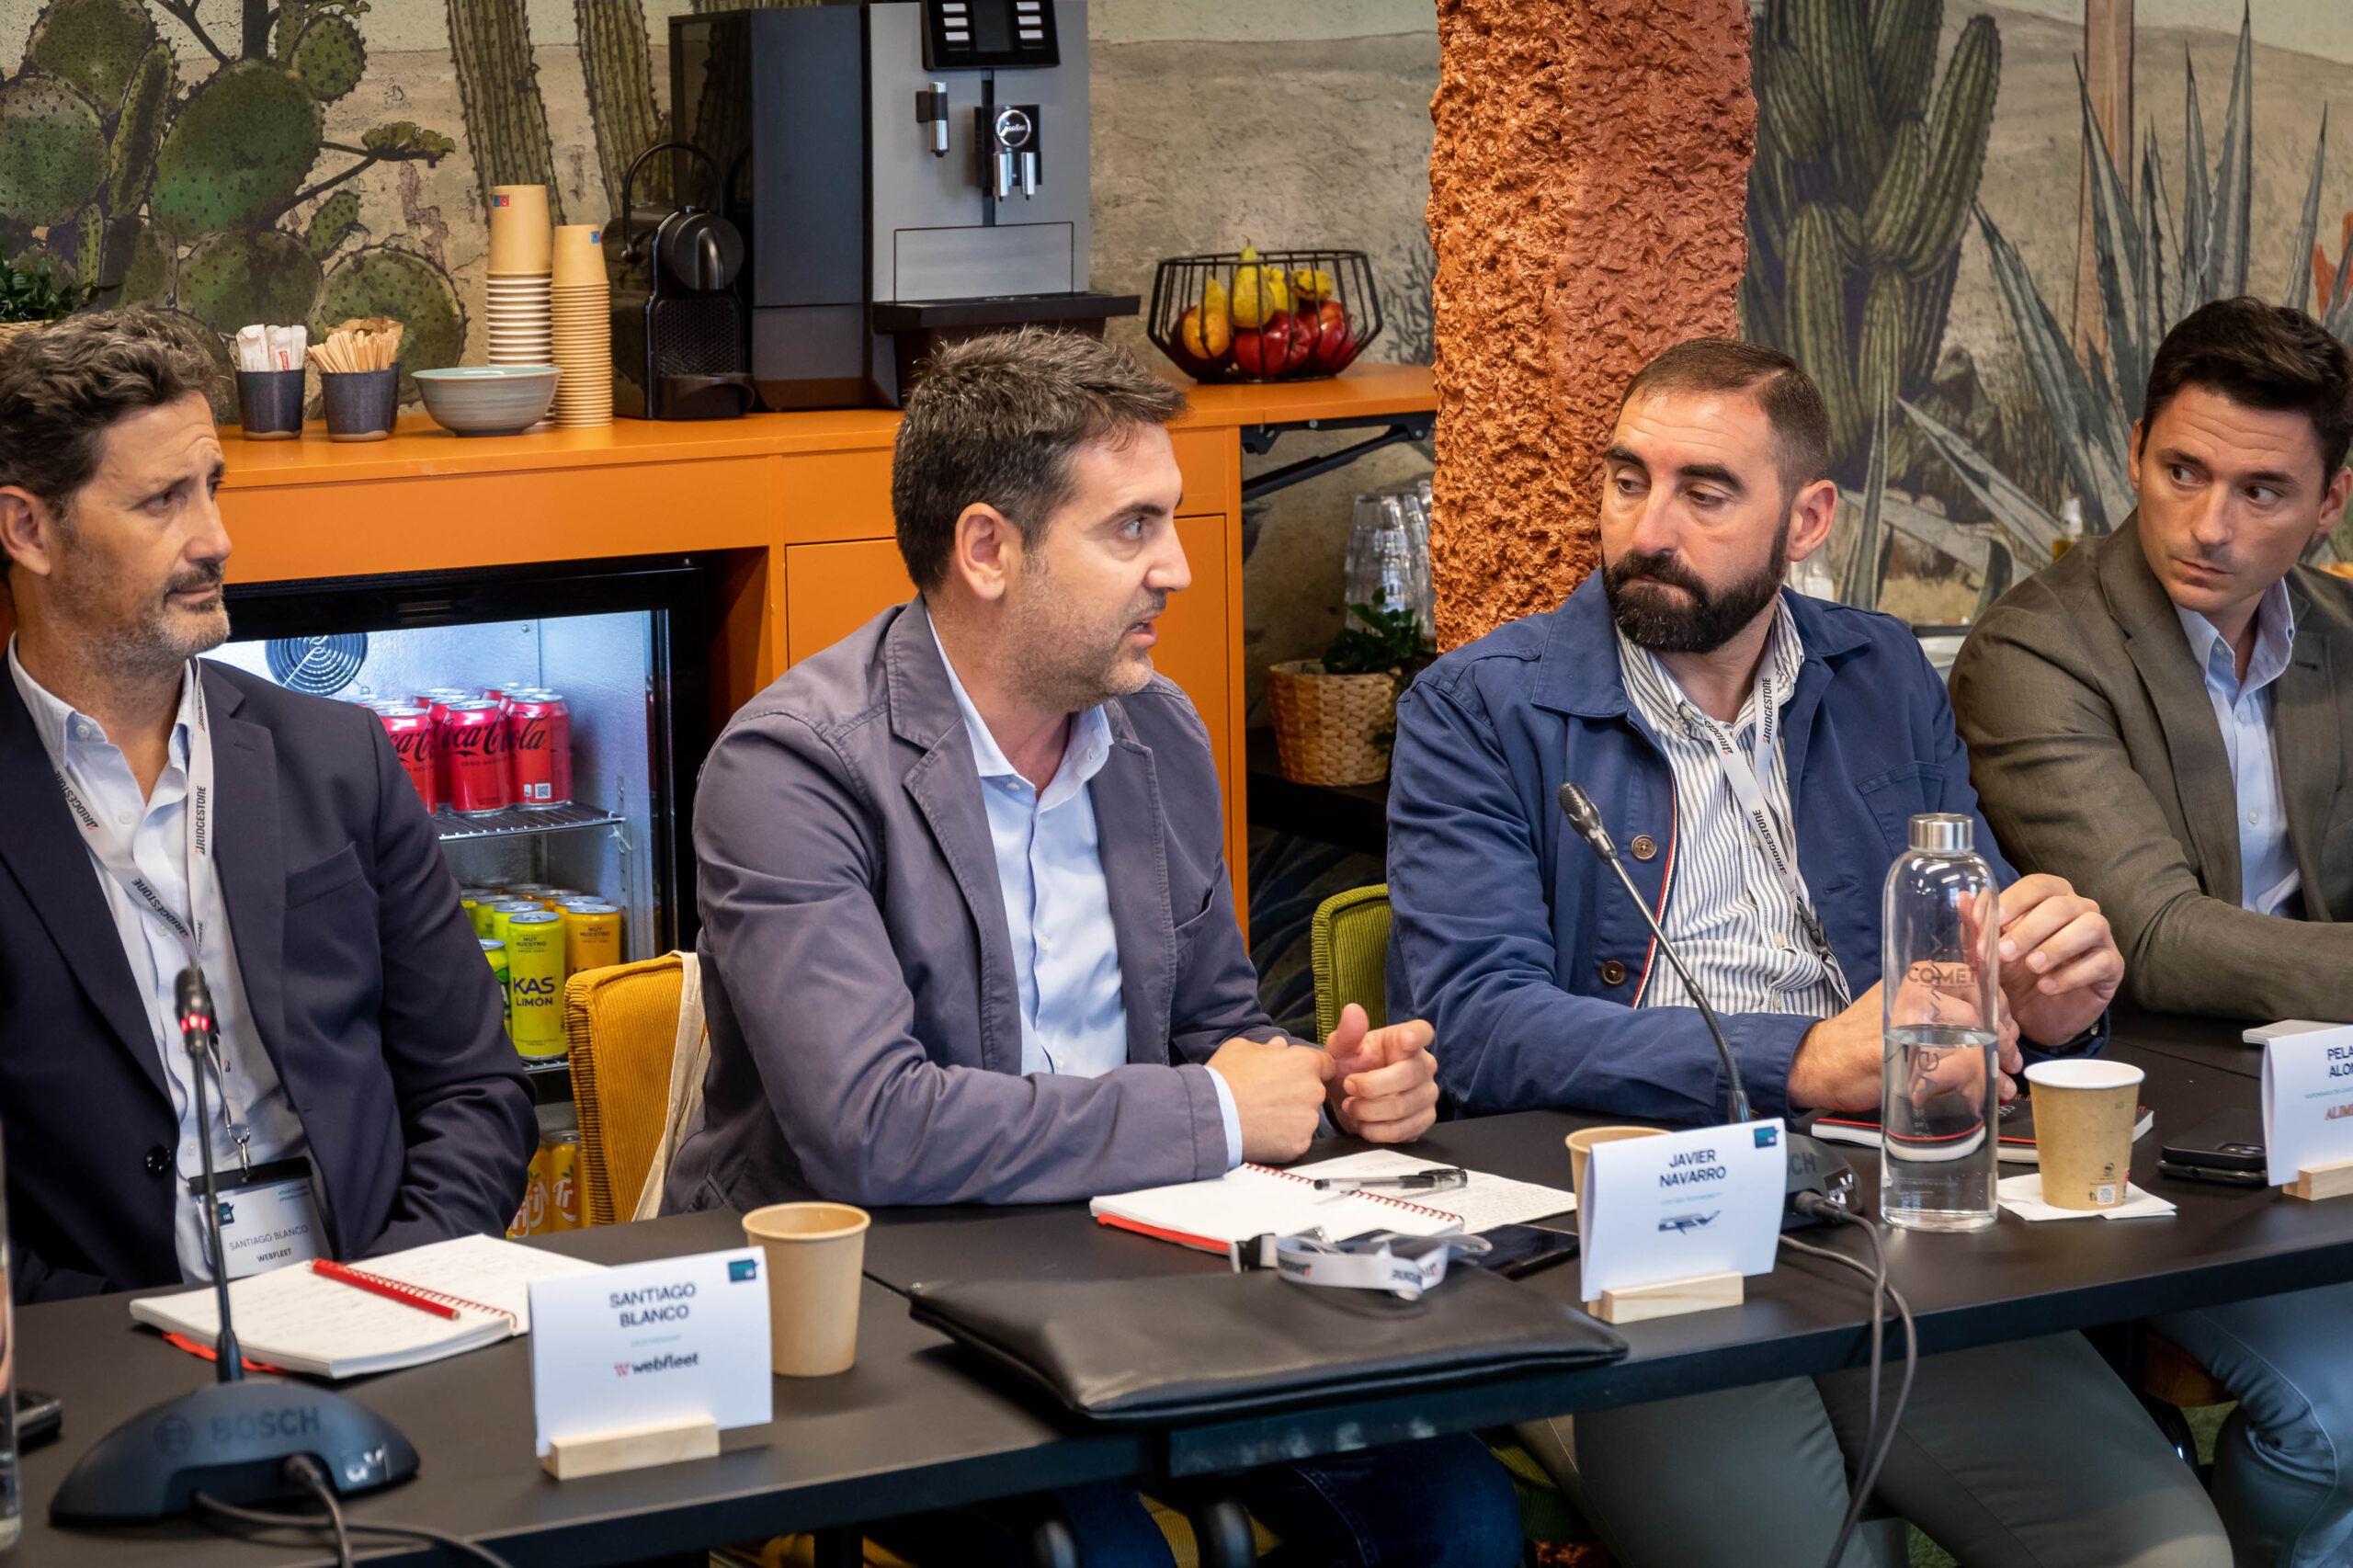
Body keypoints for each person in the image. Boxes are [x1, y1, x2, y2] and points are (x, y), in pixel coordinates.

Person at [665, 329, 1518, 1568]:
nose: (1178, 565)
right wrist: (1217, 1111)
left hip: (1142, 1274)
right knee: (1101, 1556)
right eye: (1131, 528)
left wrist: (1326, 1084)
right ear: (988, 549)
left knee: (1456, 1511)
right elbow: (869, 1127)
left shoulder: (1157, 732)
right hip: (878, 1310)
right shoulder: (794, 769)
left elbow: (1215, 1027)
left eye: (1168, 519)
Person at [1387, 336, 2229, 1567]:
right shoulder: (1480, 706)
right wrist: (1801, 1059)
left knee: (2170, 1551)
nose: (1647, 528)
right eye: (1627, 480)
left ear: (1808, 518)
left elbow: (1969, 938)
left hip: (1888, 1209)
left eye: (1705, 492)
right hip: (1629, 1235)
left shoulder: (1880, 670)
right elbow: (1473, 1024)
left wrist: (2048, 997)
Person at [0, 309, 534, 1303]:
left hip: (379, 1309)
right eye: (162, 501)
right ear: (29, 529)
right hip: (104, 1357)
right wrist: (140, 1346)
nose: (217, 539)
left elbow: (475, 1088)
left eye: (213, 486)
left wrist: (386, 1302)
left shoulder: (339, 757)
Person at [1952, 296, 2353, 1568]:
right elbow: (2159, 935)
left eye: (2262, 490)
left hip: (2328, 1109)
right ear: (2134, 451)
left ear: (2331, 503)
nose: (2209, 524)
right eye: (2181, 471)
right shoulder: (2036, 648)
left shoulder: (2343, 637)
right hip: (2153, 1139)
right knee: (2338, 1419)